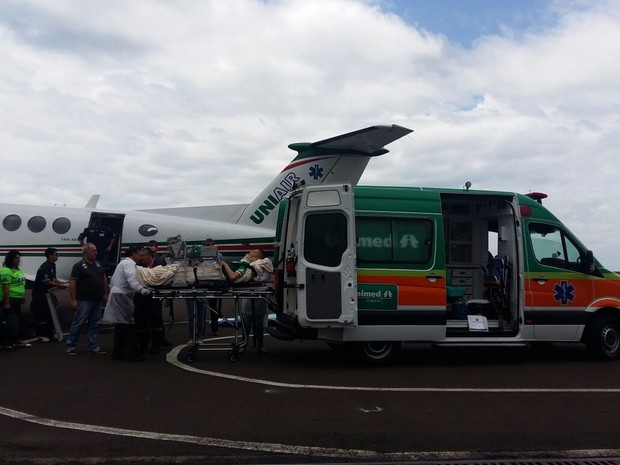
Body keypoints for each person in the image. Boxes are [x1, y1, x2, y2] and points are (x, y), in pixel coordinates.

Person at [102, 246, 151, 361]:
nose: (139, 257)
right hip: (122, 295)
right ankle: (130, 353)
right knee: (129, 324)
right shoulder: (129, 264)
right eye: (138, 254)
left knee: (120, 325)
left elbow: (113, 282)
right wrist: (141, 289)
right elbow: (132, 280)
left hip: (117, 293)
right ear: (133, 253)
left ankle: (118, 352)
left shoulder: (122, 264)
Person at [65, 244, 109, 355]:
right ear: (86, 252)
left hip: (97, 299)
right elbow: (73, 283)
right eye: (93, 251)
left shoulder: (98, 264)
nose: (96, 253)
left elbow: (103, 278)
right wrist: (73, 300)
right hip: (84, 300)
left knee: (94, 323)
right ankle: (70, 345)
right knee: (78, 323)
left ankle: (92, 346)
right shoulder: (79, 266)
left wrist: (105, 293)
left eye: (96, 251)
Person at [31, 247, 68, 342]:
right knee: (42, 314)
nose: (57, 256)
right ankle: (41, 334)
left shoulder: (52, 265)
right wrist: (60, 286)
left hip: (48, 293)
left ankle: (50, 333)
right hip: (40, 294)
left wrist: (64, 283)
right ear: (50, 255)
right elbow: (46, 282)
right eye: (56, 254)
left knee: (50, 313)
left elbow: (54, 279)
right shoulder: (45, 266)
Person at [134, 247, 166, 353]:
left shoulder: (159, 265)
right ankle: (143, 345)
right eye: (139, 255)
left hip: (154, 299)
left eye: (142, 255)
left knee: (156, 321)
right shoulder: (138, 267)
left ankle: (156, 345)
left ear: (149, 255)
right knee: (141, 322)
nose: (140, 257)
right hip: (141, 299)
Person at [1, 250, 31, 348]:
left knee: (16, 320)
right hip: (10, 300)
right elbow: (6, 287)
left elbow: (21, 284)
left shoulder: (17, 270)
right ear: (11, 259)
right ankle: (9, 341)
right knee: (10, 321)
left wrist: (22, 296)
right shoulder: (6, 271)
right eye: (16, 258)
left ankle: (14, 340)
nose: (18, 260)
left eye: (19, 258)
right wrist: (6, 302)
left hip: (17, 300)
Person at [147, 240, 172, 347]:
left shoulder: (161, 260)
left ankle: (160, 339)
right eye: (150, 246)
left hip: (158, 292)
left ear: (157, 248)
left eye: (153, 246)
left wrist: (168, 295)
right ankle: (152, 341)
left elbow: (168, 276)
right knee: (149, 318)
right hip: (147, 291)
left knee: (158, 316)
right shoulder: (144, 260)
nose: (151, 248)